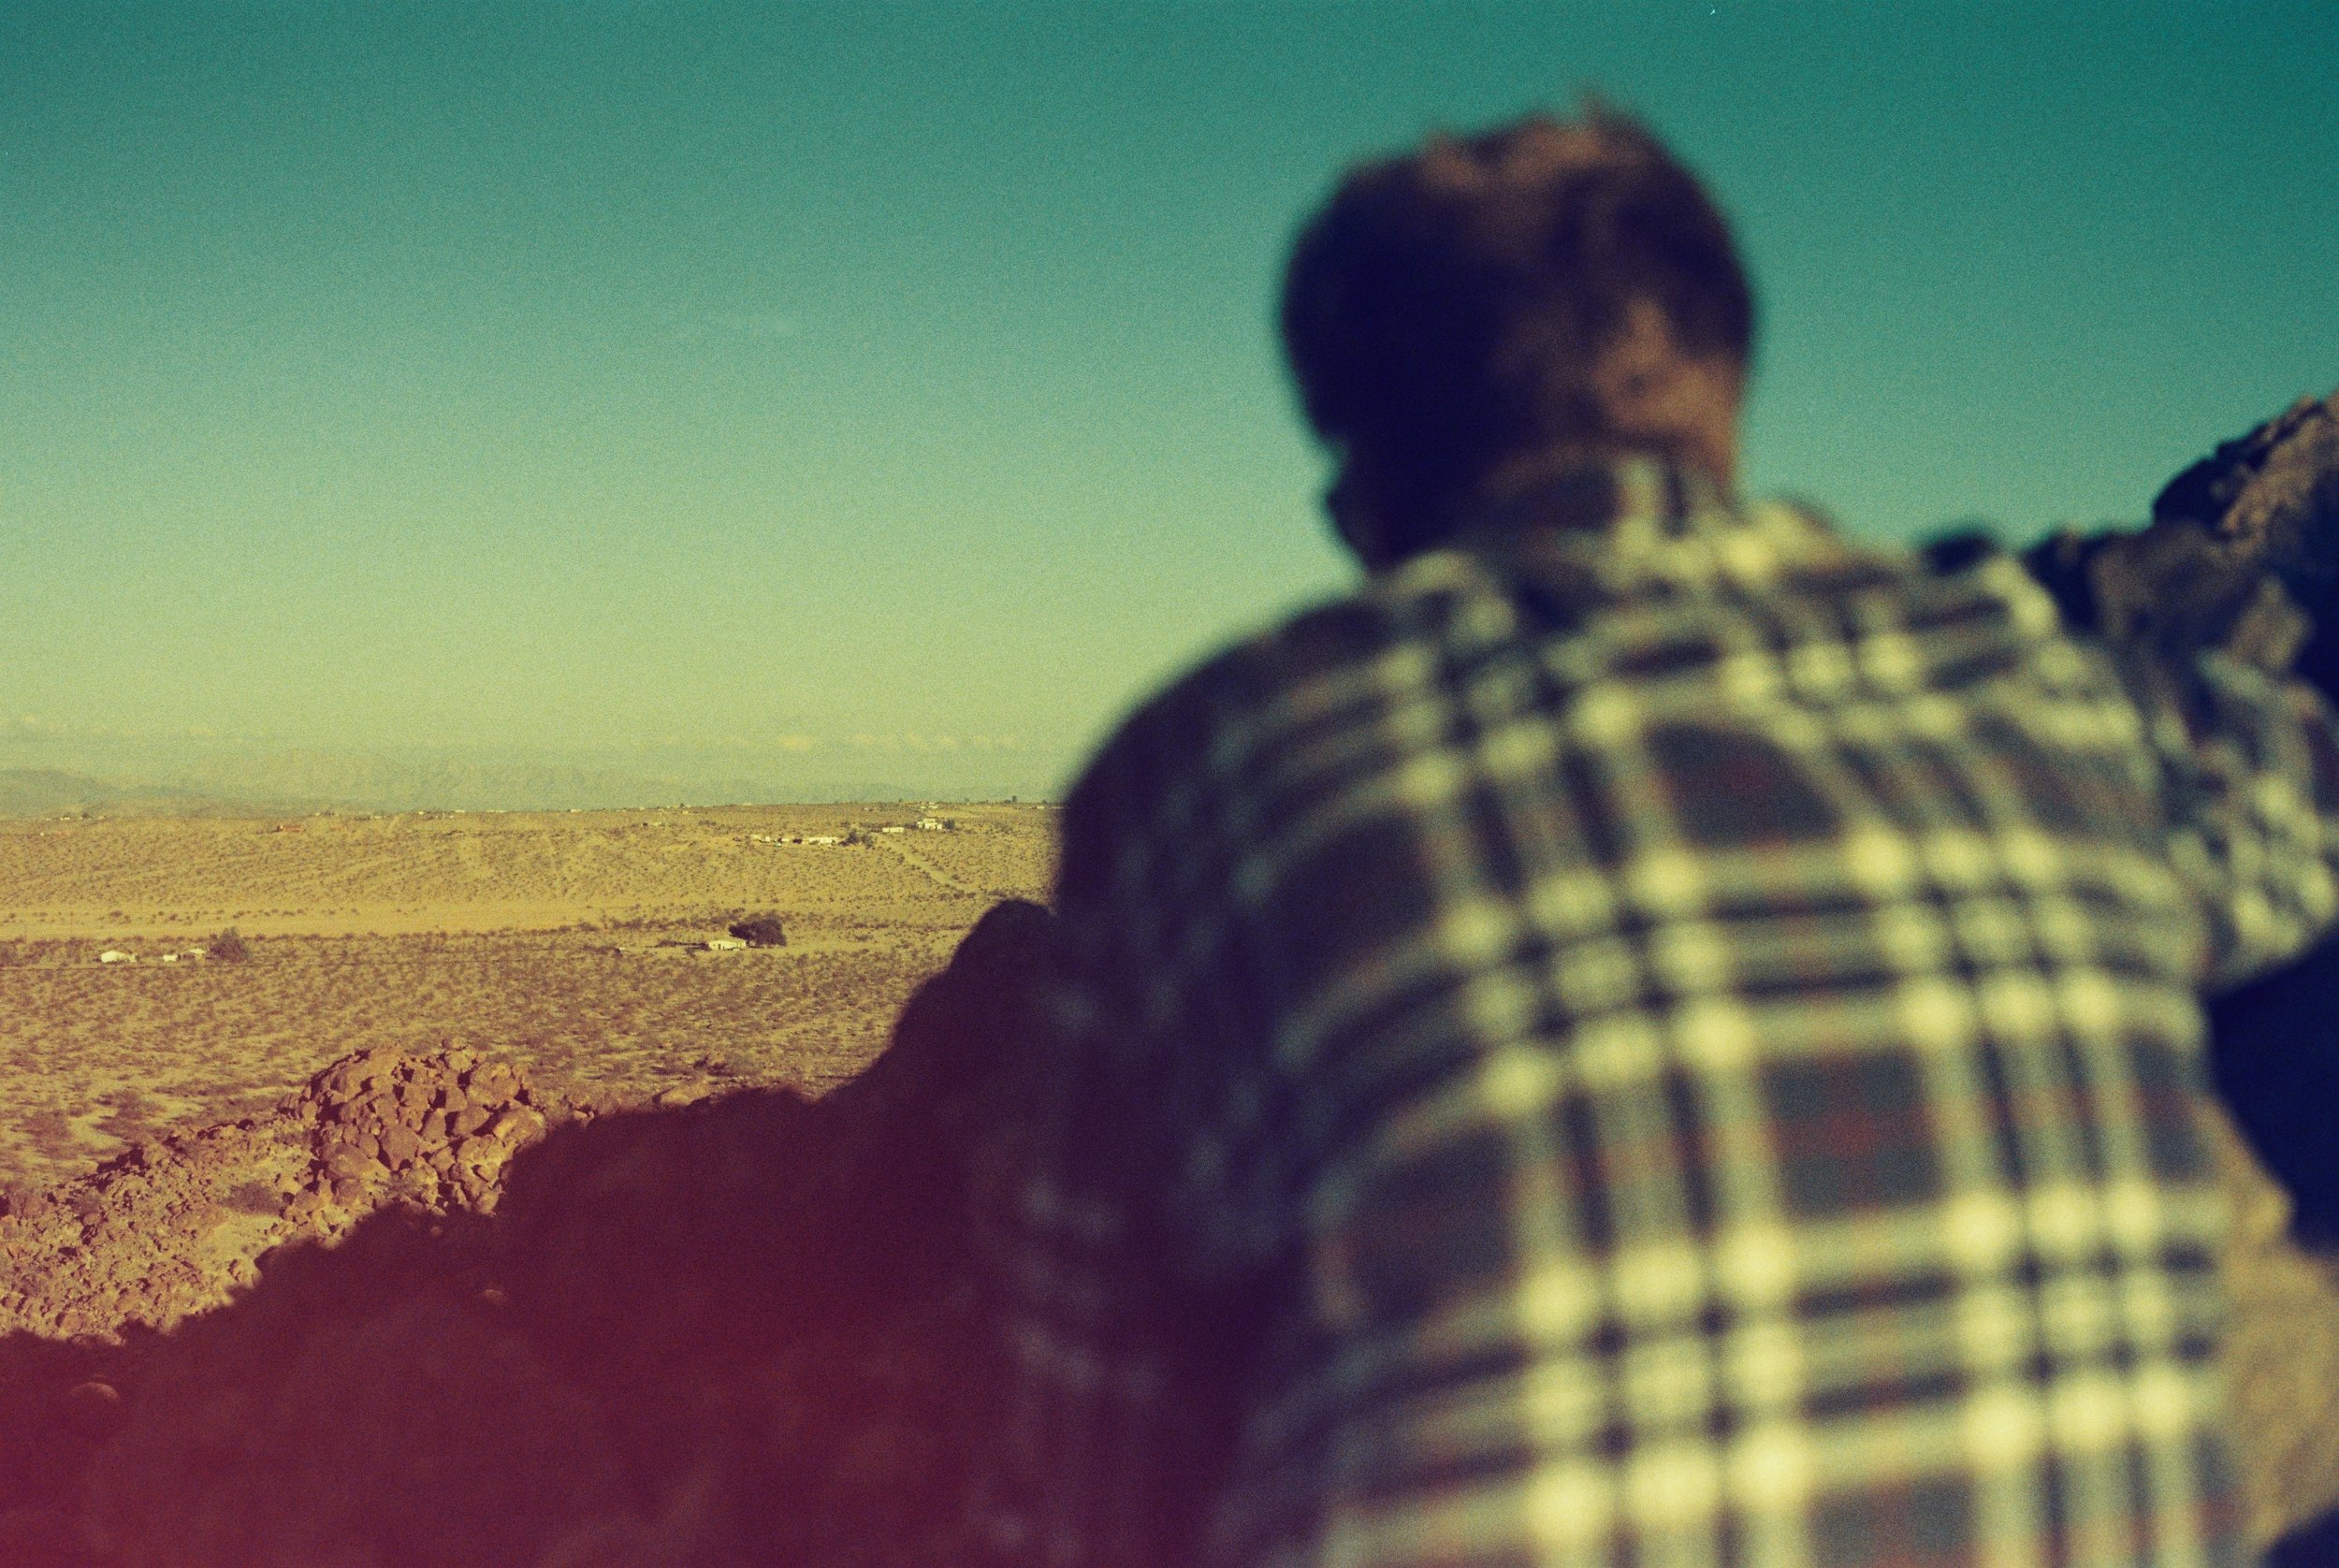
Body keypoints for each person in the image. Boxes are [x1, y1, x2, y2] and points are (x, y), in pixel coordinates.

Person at [977, 108, 2339, 1567]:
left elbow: (1090, 1447)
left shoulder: (1208, 768)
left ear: (1362, 487)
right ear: (1724, 393)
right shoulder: (2046, 683)